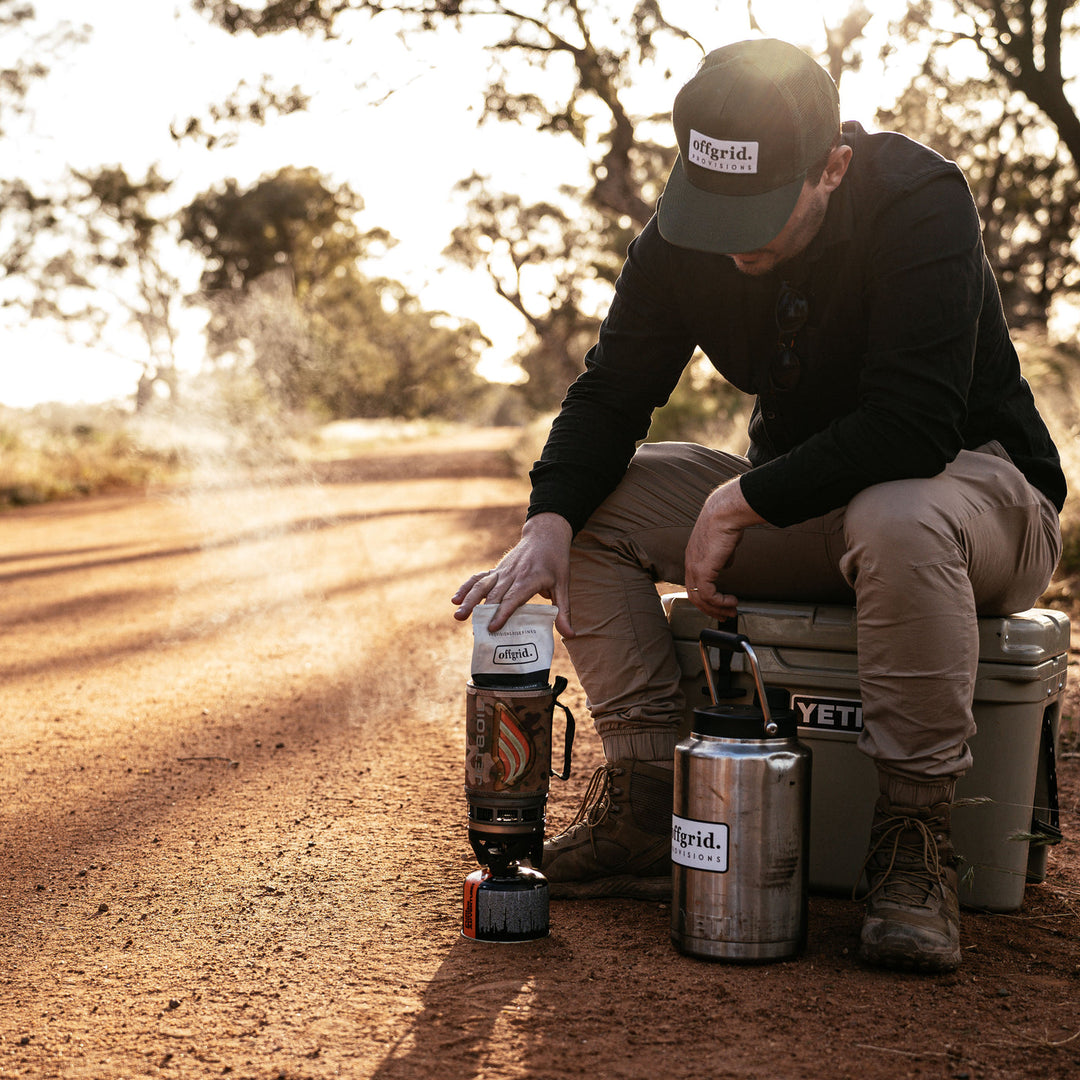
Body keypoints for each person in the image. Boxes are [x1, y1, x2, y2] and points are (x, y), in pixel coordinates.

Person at [451, 37, 1066, 974]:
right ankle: (651, 802)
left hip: (975, 499)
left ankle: (914, 841)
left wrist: (741, 502)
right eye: (712, 205)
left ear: (833, 168)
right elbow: (613, 392)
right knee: (591, 509)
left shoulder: (920, 202)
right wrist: (547, 523)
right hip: (809, 508)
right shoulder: (680, 237)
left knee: (895, 516)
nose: (733, 236)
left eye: (761, 209)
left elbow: (913, 423)